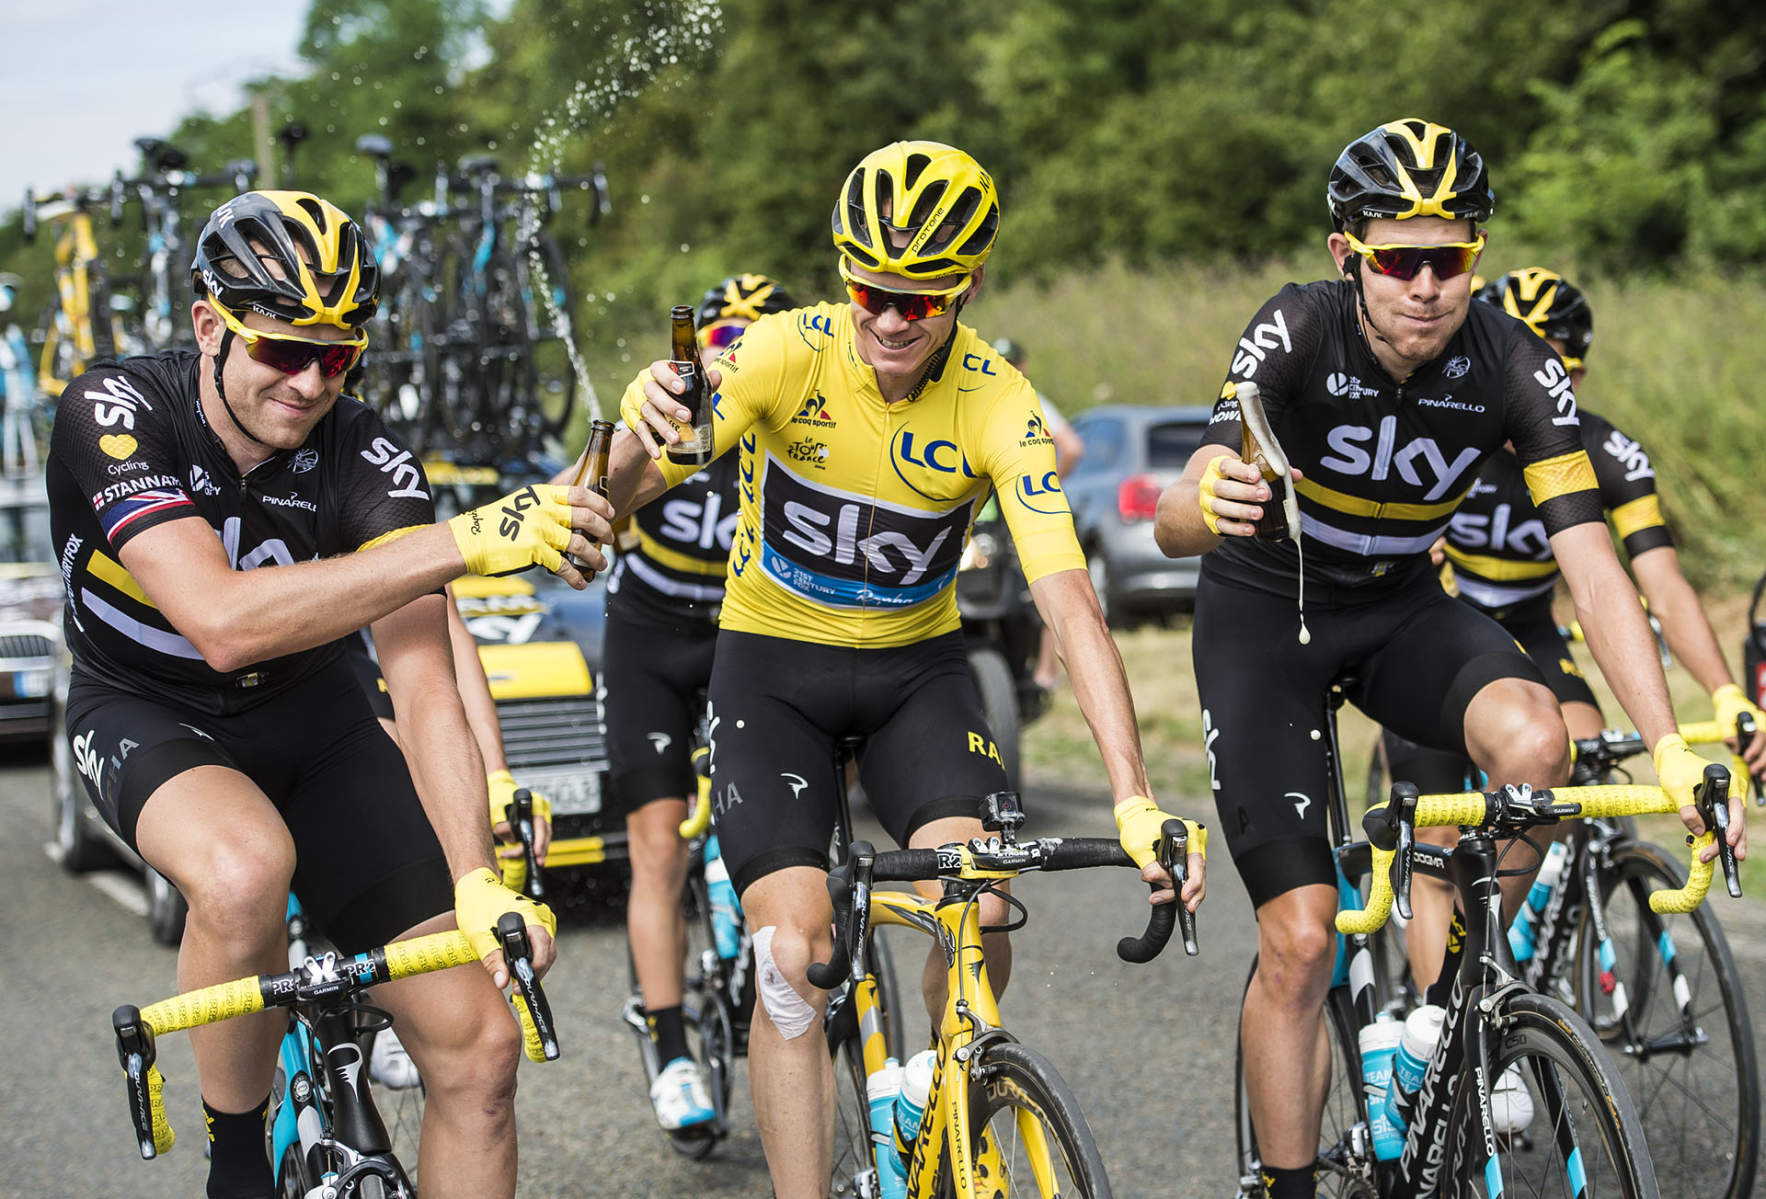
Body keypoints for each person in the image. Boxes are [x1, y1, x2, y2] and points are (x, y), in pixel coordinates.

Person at [1150, 120, 1746, 1199]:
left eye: (1450, 257)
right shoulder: (1293, 326)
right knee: (1298, 938)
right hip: (1265, 614)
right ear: (1347, 254)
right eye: (1397, 259)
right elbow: (1173, 513)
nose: (1425, 285)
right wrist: (1201, 500)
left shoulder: (1510, 362)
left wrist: (1668, 744)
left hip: (1399, 610)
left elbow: (1596, 567)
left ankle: (1439, 1006)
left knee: (1538, 733)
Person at [607, 140, 1205, 1198]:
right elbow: (618, 493)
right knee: (791, 958)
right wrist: (638, 420)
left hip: (913, 673)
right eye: (867, 291)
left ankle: (937, 1083)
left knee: (976, 897)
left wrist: (1133, 798)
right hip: (772, 671)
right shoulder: (784, 353)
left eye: (918, 301)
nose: (888, 318)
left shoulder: (996, 398)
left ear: (966, 286)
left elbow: (1068, 599)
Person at [47, 189, 608, 1198]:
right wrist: (467, 538)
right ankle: (234, 1160)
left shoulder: (364, 454)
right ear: (211, 325)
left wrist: (477, 873)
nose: (309, 381)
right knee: (243, 872)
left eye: (337, 356)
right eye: (281, 349)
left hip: (318, 718)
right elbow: (216, 621)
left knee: (481, 1048)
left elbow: (423, 679)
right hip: (149, 708)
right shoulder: (117, 409)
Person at [1381, 267, 1766, 988]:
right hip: (1439, 626)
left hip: (1531, 627)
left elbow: (1663, 584)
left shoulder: (1606, 452)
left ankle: (1527, 919)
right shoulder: (1434, 427)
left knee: (1584, 752)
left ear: (1577, 373)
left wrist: (1721, 692)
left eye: (1556, 361)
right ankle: (1436, 1026)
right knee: (1435, 839)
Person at [599, 272, 796, 1132]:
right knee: (657, 842)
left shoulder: (792, 420)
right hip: (648, 633)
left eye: (756, 343)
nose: (736, 359)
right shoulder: (677, 412)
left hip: (743, 628)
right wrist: (645, 429)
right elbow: (599, 505)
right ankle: (672, 1045)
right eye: (724, 342)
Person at [992, 337, 1085, 690]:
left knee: (1047, 583)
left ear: (1023, 367)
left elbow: (1073, 448)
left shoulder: (1027, 402)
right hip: (1011, 508)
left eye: (1012, 363)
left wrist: (1041, 483)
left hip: (1017, 509)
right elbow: (1073, 448)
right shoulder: (1018, 401)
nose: (1008, 369)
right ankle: (1040, 671)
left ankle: (1046, 671)